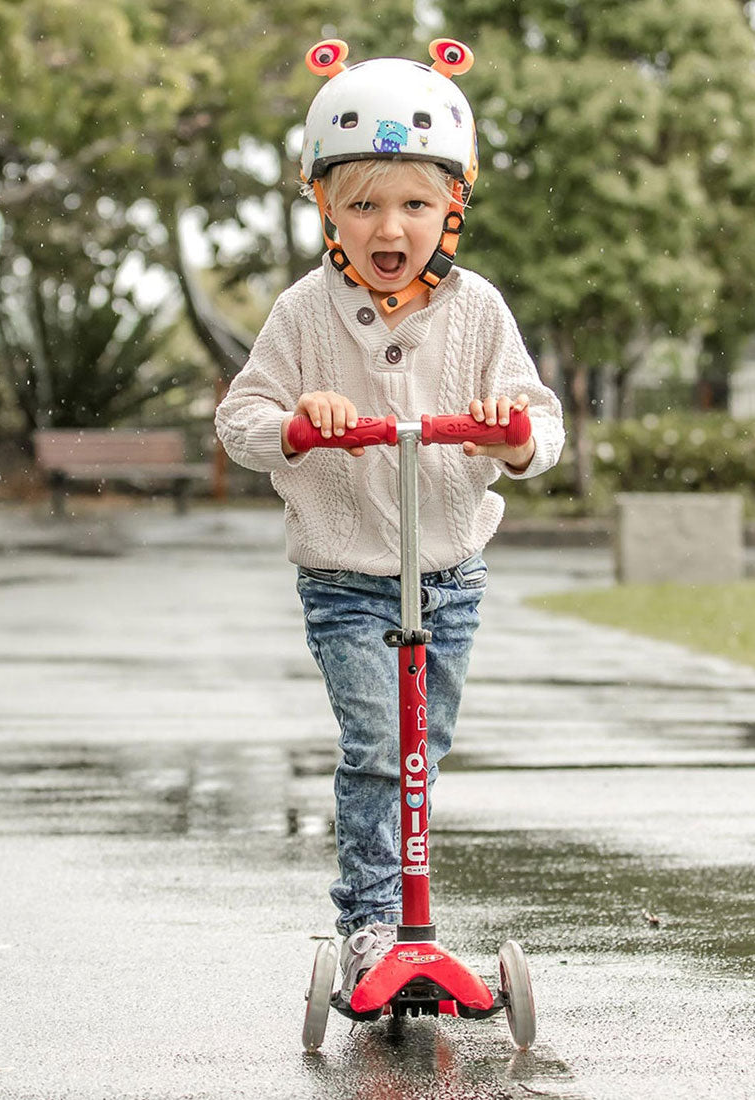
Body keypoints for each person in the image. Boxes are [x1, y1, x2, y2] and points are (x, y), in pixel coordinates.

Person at [214, 37, 565, 999]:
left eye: (413, 202)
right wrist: (298, 423)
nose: (388, 225)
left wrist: (510, 439)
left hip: (448, 574)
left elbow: (543, 425)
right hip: (344, 574)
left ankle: (410, 920)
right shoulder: (302, 313)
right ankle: (373, 925)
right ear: (323, 205)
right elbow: (239, 419)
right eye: (362, 203)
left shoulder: (480, 310)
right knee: (378, 744)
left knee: (425, 748)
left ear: (451, 206)